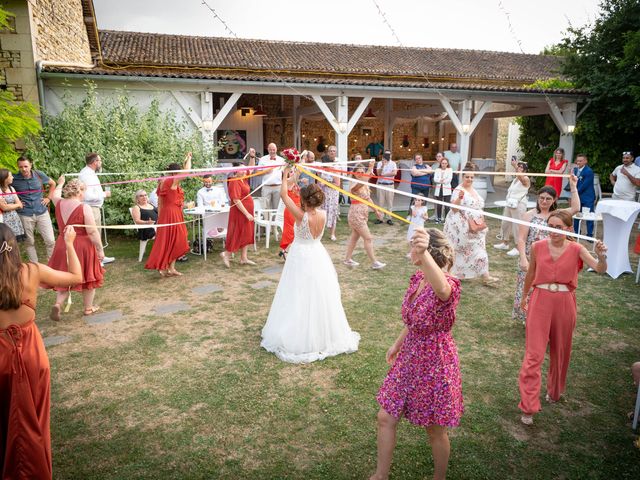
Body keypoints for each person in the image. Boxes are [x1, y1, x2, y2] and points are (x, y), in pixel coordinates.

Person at [371, 228, 463, 480]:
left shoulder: (448, 284)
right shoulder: (417, 279)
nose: (409, 251)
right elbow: (414, 320)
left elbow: (442, 290)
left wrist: (423, 253)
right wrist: (397, 344)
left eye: (414, 247)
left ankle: (439, 478)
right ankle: (381, 475)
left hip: (435, 361)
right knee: (385, 417)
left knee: (434, 430)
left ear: (427, 252)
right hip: (410, 354)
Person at [0, 223, 82, 480]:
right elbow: (76, 278)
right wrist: (69, 244)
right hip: (32, 353)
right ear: (13, 246)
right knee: (35, 415)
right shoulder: (32, 271)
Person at [260, 166, 360, 363]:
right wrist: (294, 176)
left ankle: (298, 331)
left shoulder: (301, 215)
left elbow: (283, 194)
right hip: (317, 253)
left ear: (304, 201)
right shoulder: (322, 214)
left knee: (297, 291)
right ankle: (322, 331)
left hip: (300, 254)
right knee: (319, 291)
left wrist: (286, 174)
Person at [518, 210, 607, 426]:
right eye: (550, 226)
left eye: (558, 227)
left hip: (565, 303)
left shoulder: (577, 248)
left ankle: (555, 391)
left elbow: (600, 269)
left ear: (568, 229)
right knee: (533, 355)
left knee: (560, 350)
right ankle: (528, 406)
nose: (554, 231)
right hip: (540, 300)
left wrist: (602, 256)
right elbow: (530, 273)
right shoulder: (537, 246)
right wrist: (524, 296)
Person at [512, 178, 580, 324]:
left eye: (548, 199)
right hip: (531, 257)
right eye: (541, 198)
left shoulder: (558, 215)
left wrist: (573, 186)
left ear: (554, 199)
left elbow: (575, 208)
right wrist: (523, 258)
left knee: (544, 290)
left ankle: (544, 319)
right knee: (528, 286)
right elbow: (522, 239)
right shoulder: (528, 215)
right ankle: (528, 318)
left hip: (551, 259)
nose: (544, 201)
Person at [47, 177, 105, 320]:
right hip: (81, 246)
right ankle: (88, 308)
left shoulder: (58, 202)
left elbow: (54, 194)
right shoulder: (84, 207)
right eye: (84, 191)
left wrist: (60, 183)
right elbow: (92, 231)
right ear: (80, 191)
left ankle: (58, 304)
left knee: (64, 278)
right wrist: (100, 249)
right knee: (87, 277)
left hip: (63, 244)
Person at [443, 165, 498, 285]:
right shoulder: (458, 189)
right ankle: (452, 273)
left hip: (476, 226)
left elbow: (478, 206)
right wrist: (459, 198)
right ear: (462, 177)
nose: (469, 179)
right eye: (467, 176)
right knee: (459, 249)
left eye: (472, 177)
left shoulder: (474, 189)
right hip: (461, 226)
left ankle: (486, 276)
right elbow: (454, 209)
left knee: (480, 248)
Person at [145, 153, 192, 277]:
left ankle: (170, 267)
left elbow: (160, 204)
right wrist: (189, 159)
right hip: (172, 214)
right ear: (175, 173)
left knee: (171, 239)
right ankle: (166, 267)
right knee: (174, 239)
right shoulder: (171, 180)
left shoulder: (163, 182)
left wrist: (160, 218)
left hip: (167, 213)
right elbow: (187, 172)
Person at [12, 156, 56, 262]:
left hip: (42, 212)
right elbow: (5, 191)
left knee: (50, 240)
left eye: (26, 166)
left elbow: (53, 183)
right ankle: (34, 266)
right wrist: (16, 202)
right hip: (24, 214)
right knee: (29, 242)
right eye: (21, 167)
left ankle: (52, 264)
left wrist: (49, 198)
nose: (23, 169)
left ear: (31, 165)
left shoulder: (39, 175)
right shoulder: (13, 179)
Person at [343, 162, 385, 269]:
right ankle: (374, 262)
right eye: (358, 172)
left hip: (362, 213)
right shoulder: (354, 183)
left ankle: (347, 259)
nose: (360, 174)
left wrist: (376, 211)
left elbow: (368, 199)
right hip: (356, 214)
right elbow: (359, 184)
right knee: (368, 238)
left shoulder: (365, 183)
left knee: (354, 237)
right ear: (354, 173)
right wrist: (369, 169)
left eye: (362, 172)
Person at [78, 152, 115, 264]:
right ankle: (96, 261)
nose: (101, 163)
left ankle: (100, 257)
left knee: (97, 233)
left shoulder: (90, 173)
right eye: (99, 161)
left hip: (94, 208)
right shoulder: (87, 175)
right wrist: (104, 194)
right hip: (91, 208)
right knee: (93, 234)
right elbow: (87, 196)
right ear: (95, 162)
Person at [220, 163, 255, 268]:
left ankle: (244, 258)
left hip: (247, 210)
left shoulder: (243, 178)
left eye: (245, 170)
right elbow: (236, 200)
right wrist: (247, 213)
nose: (244, 171)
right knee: (237, 232)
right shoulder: (234, 181)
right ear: (236, 171)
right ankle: (226, 254)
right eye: (241, 170)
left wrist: (252, 157)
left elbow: (251, 168)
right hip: (240, 212)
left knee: (246, 233)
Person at [494, 159, 531, 256]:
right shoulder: (515, 179)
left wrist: (515, 167)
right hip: (510, 203)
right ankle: (505, 243)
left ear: (525, 170)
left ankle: (518, 247)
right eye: (518, 167)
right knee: (505, 223)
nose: (519, 168)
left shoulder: (526, 179)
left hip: (519, 205)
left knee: (517, 227)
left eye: (521, 167)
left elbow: (522, 179)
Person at [278, 165, 301, 261]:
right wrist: (300, 161)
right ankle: (286, 251)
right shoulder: (287, 182)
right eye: (290, 172)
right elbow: (297, 174)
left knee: (295, 232)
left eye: (293, 171)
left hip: (297, 209)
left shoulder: (294, 183)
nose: (293, 173)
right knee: (291, 232)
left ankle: (286, 251)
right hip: (290, 210)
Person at [318, 145, 341, 241]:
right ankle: (321, 233)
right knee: (322, 213)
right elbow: (319, 181)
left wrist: (326, 183)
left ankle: (332, 234)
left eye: (333, 151)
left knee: (332, 212)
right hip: (323, 194)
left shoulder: (335, 169)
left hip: (332, 194)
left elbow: (337, 184)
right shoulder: (322, 169)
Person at [572, 154, 596, 236]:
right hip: (578, 196)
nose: (578, 162)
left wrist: (574, 192)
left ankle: (589, 234)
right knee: (577, 214)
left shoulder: (589, 171)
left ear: (585, 161)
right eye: (577, 160)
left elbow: (584, 185)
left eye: (580, 161)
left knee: (589, 216)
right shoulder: (575, 170)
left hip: (587, 197)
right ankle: (576, 232)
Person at [0, 168, 26, 241]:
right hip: (3, 219)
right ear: (4, 178)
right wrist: (16, 205)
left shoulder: (11, 188)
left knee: (14, 243)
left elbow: (19, 204)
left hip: (14, 218)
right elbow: (4, 208)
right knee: (5, 242)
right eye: (10, 176)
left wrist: (12, 205)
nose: (13, 177)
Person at [258, 143, 284, 210]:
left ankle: (275, 220)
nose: (272, 151)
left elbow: (285, 174)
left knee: (277, 208)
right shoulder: (262, 159)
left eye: (273, 149)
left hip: (278, 187)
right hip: (266, 187)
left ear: (276, 149)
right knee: (265, 207)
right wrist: (265, 172)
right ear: (268, 150)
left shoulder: (282, 160)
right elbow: (257, 173)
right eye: (270, 150)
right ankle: (266, 220)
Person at [375, 150, 398, 225]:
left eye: (389, 154)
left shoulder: (393, 163)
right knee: (380, 202)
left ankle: (389, 218)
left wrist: (384, 175)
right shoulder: (379, 163)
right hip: (381, 184)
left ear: (391, 155)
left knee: (389, 202)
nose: (387, 156)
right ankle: (380, 218)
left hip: (390, 185)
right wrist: (383, 165)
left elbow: (394, 173)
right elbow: (378, 173)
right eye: (386, 154)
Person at [433, 154, 453, 223]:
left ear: (447, 164)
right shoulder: (437, 170)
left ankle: (446, 220)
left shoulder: (450, 170)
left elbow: (449, 179)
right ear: (440, 163)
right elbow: (435, 179)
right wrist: (440, 180)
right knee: (439, 205)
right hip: (439, 189)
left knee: (447, 205)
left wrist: (442, 181)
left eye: (445, 163)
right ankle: (438, 218)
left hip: (447, 189)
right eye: (442, 163)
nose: (444, 164)